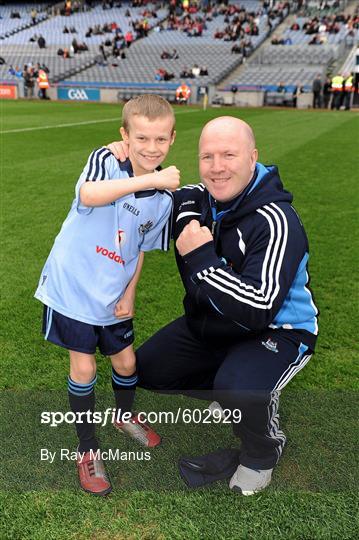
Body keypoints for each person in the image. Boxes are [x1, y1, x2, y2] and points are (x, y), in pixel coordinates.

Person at [109, 116, 318, 496]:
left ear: (252, 157)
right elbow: (139, 200)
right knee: (149, 370)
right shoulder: (197, 197)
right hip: (212, 324)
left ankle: (261, 452)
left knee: (242, 389)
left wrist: (202, 258)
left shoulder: (277, 221)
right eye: (207, 157)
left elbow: (260, 307)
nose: (217, 167)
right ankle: (232, 389)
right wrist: (121, 159)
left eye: (229, 155)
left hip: (276, 331)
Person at [34, 95, 180, 496]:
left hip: (113, 291)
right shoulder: (106, 159)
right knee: (83, 370)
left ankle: (123, 416)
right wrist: (151, 177)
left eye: (160, 140)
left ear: (171, 139)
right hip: (74, 284)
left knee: (127, 362)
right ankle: (87, 449)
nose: (151, 148)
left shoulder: (164, 200)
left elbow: (140, 251)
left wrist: (130, 293)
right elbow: (89, 196)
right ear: (125, 136)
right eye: (142, 138)